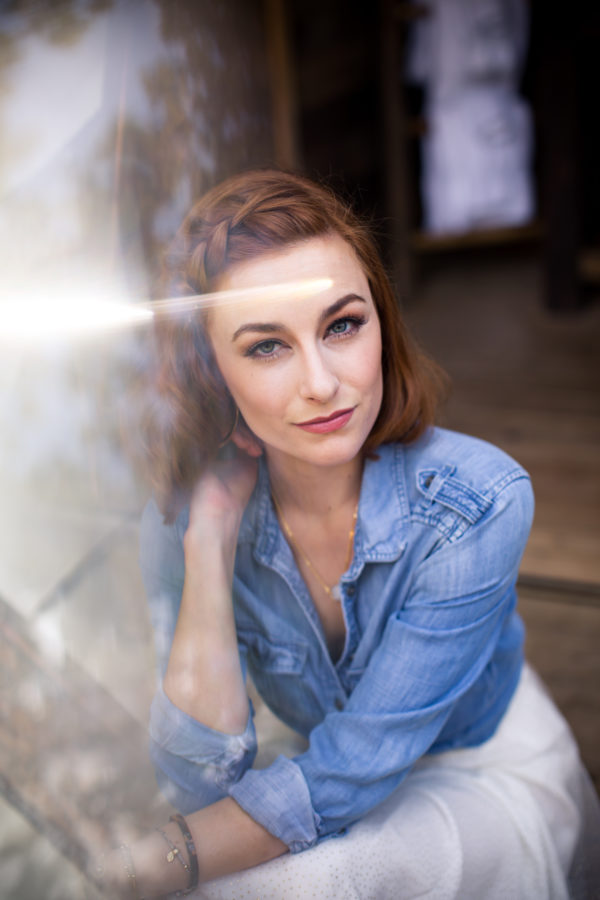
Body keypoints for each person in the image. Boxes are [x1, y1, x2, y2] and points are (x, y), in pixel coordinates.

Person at [97, 170, 599, 899]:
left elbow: (353, 766)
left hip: (476, 762)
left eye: (342, 325)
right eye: (267, 347)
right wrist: (207, 540)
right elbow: (198, 781)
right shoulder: (182, 522)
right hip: (317, 769)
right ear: (214, 376)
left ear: (382, 322)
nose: (324, 383)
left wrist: (166, 858)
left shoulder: (478, 504)